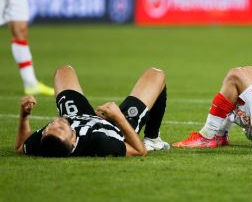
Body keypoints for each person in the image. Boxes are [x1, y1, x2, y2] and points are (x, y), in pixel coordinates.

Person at [15, 65, 170, 157]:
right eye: (61, 128)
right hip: (117, 126)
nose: (56, 121)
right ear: (73, 141)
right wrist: (118, 117)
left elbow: (20, 146)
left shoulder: (46, 141)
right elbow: (139, 150)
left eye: (50, 127)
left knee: (63, 70)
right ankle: (153, 139)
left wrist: (24, 116)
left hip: (77, 115)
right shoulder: (100, 143)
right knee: (157, 74)